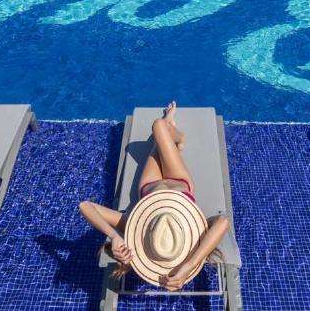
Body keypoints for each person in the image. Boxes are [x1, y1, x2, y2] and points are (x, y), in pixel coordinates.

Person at [79, 102, 230, 291]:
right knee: (159, 127)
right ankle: (178, 137)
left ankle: (169, 131)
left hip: (149, 185)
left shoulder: (136, 226)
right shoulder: (192, 230)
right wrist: (188, 266)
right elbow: (223, 221)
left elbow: (85, 206)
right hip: (179, 179)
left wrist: (113, 236)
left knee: (158, 134)